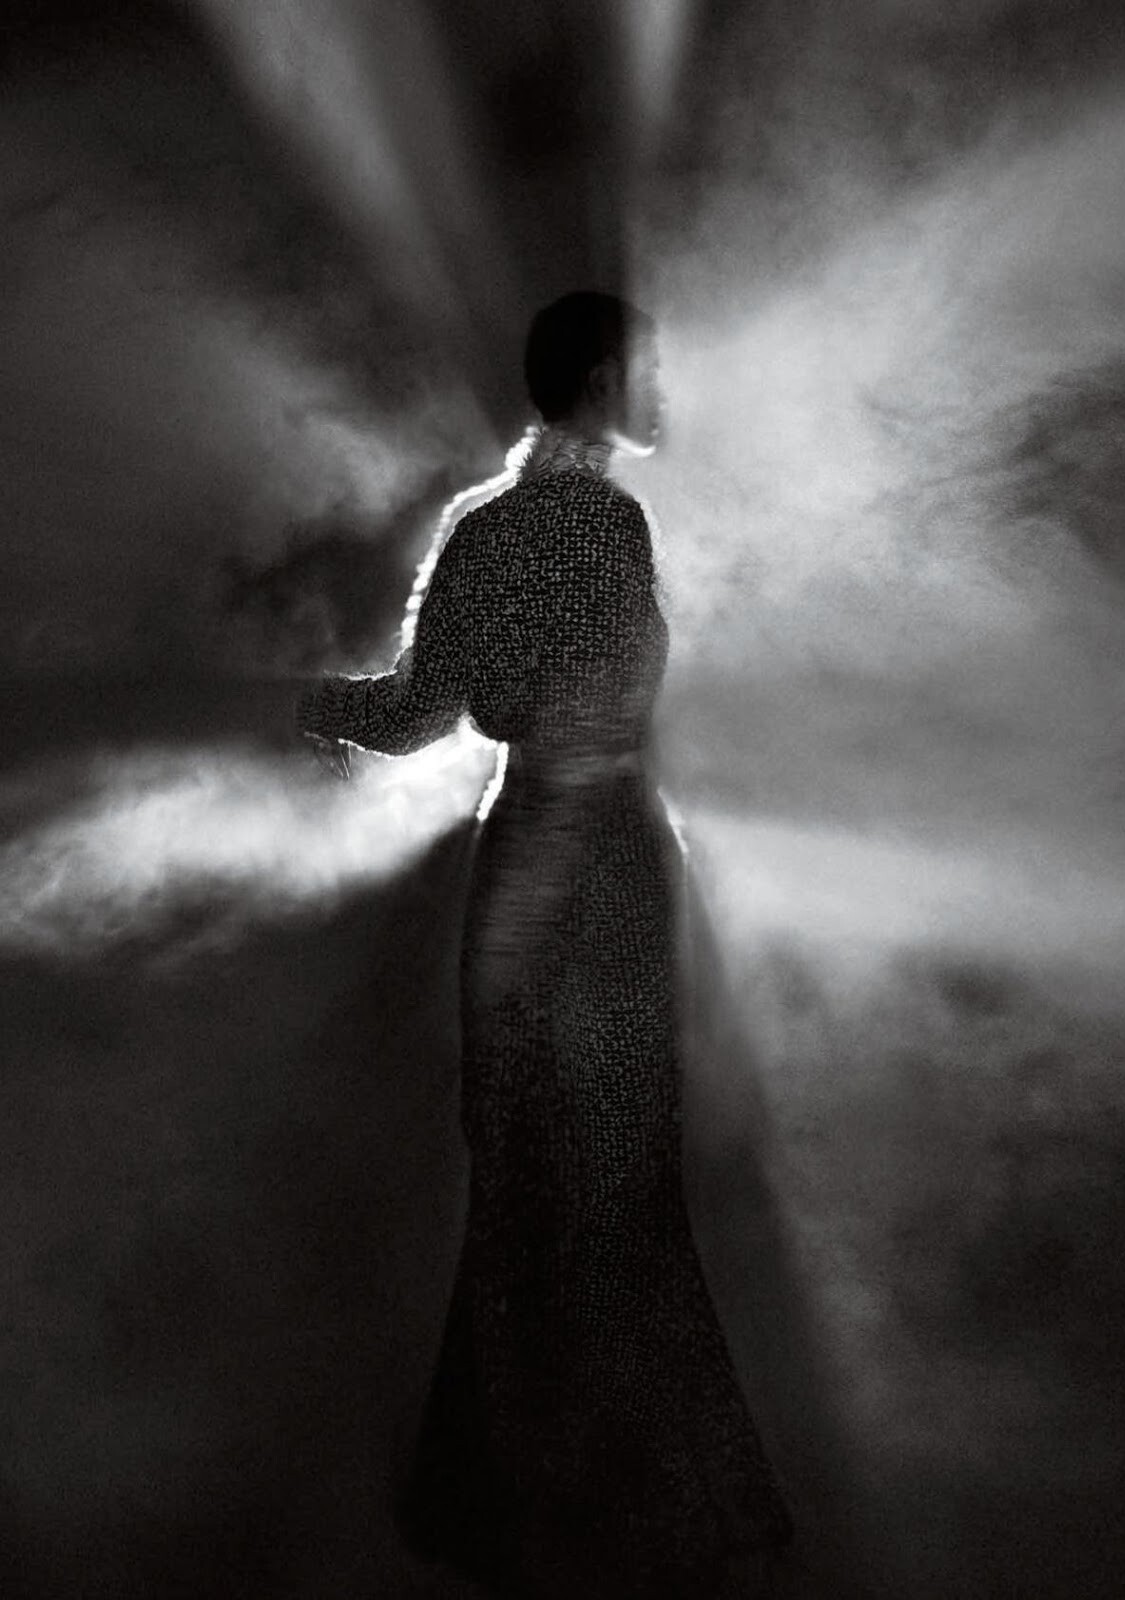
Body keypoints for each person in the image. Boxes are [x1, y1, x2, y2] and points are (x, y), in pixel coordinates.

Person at [297, 292, 793, 1598]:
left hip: (535, 861)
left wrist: (311, 706)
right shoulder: (607, 525)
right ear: (602, 382)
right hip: (604, 865)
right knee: (616, 1178)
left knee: (529, 1176)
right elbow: (605, 709)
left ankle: (511, 1505)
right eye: (645, 366)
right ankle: (634, 1509)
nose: (661, 386)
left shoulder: (490, 530)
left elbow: (418, 715)